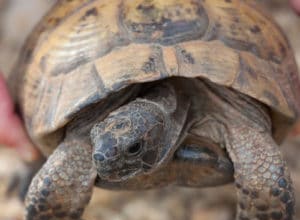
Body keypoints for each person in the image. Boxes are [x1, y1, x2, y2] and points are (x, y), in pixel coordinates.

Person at [0, 0, 299, 159]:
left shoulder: (234, 117)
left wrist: (265, 212)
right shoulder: (96, 141)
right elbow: (75, 151)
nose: (103, 158)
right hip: (88, 28)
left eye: (131, 149)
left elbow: (262, 162)